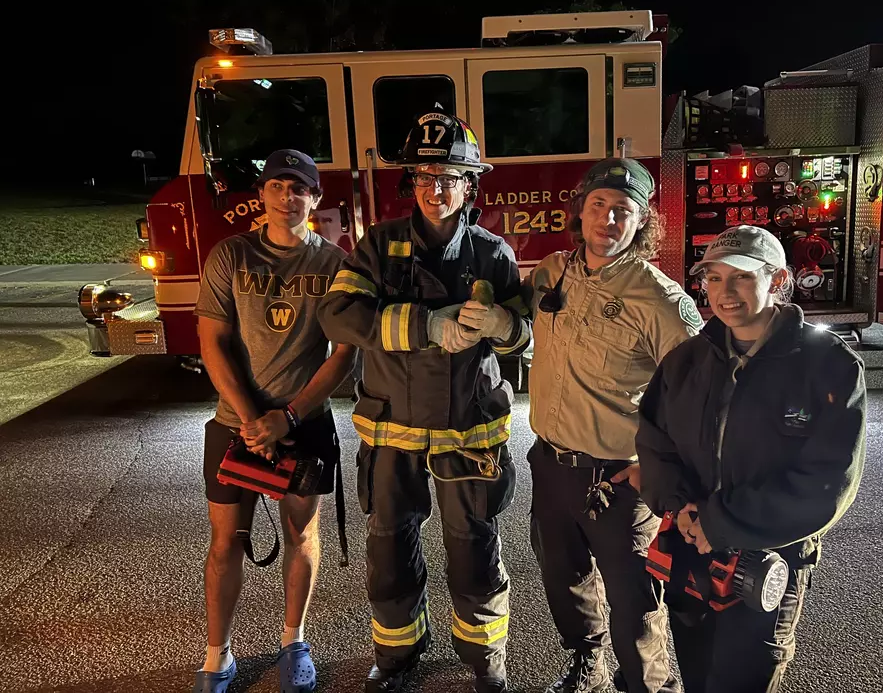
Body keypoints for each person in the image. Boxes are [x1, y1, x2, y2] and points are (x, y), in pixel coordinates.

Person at [322, 106, 530, 693]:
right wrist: (424, 326)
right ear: (410, 184)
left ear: (470, 185)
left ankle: (484, 656)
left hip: (470, 431)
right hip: (395, 433)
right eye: (425, 178)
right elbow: (337, 315)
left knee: (473, 548)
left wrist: (501, 324)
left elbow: (524, 332)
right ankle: (397, 654)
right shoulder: (377, 245)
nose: (437, 191)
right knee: (390, 548)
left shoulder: (493, 252)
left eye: (450, 179)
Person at [636, 225, 867, 693]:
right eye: (715, 279)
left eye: (741, 277)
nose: (725, 292)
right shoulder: (685, 360)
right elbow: (655, 441)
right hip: (691, 550)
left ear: (778, 280)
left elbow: (827, 482)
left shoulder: (828, 365)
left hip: (768, 557)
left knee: (745, 680)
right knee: (699, 675)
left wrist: (720, 523)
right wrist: (679, 508)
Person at [526, 158, 701, 693]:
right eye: (598, 206)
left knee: (634, 597)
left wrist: (657, 466)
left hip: (619, 479)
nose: (607, 220)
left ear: (641, 222)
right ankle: (587, 662)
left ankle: (648, 685)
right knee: (564, 576)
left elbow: (698, 396)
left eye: (623, 211)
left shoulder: (660, 300)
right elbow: (515, 327)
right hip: (551, 462)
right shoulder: (552, 272)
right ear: (580, 210)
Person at [193, 149, 357, 693]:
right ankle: (218, 654)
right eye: (278, 186)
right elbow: (211, 343)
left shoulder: (334, 263)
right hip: (233, 425)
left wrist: (286, 418)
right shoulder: (231, 255)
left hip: (303, 424)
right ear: (261, 195)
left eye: (300, 188)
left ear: (316, 199)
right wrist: (251, 421)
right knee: (225, 543)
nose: (289, 197)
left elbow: (343, 354)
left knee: (299, 533)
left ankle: (294, 641)